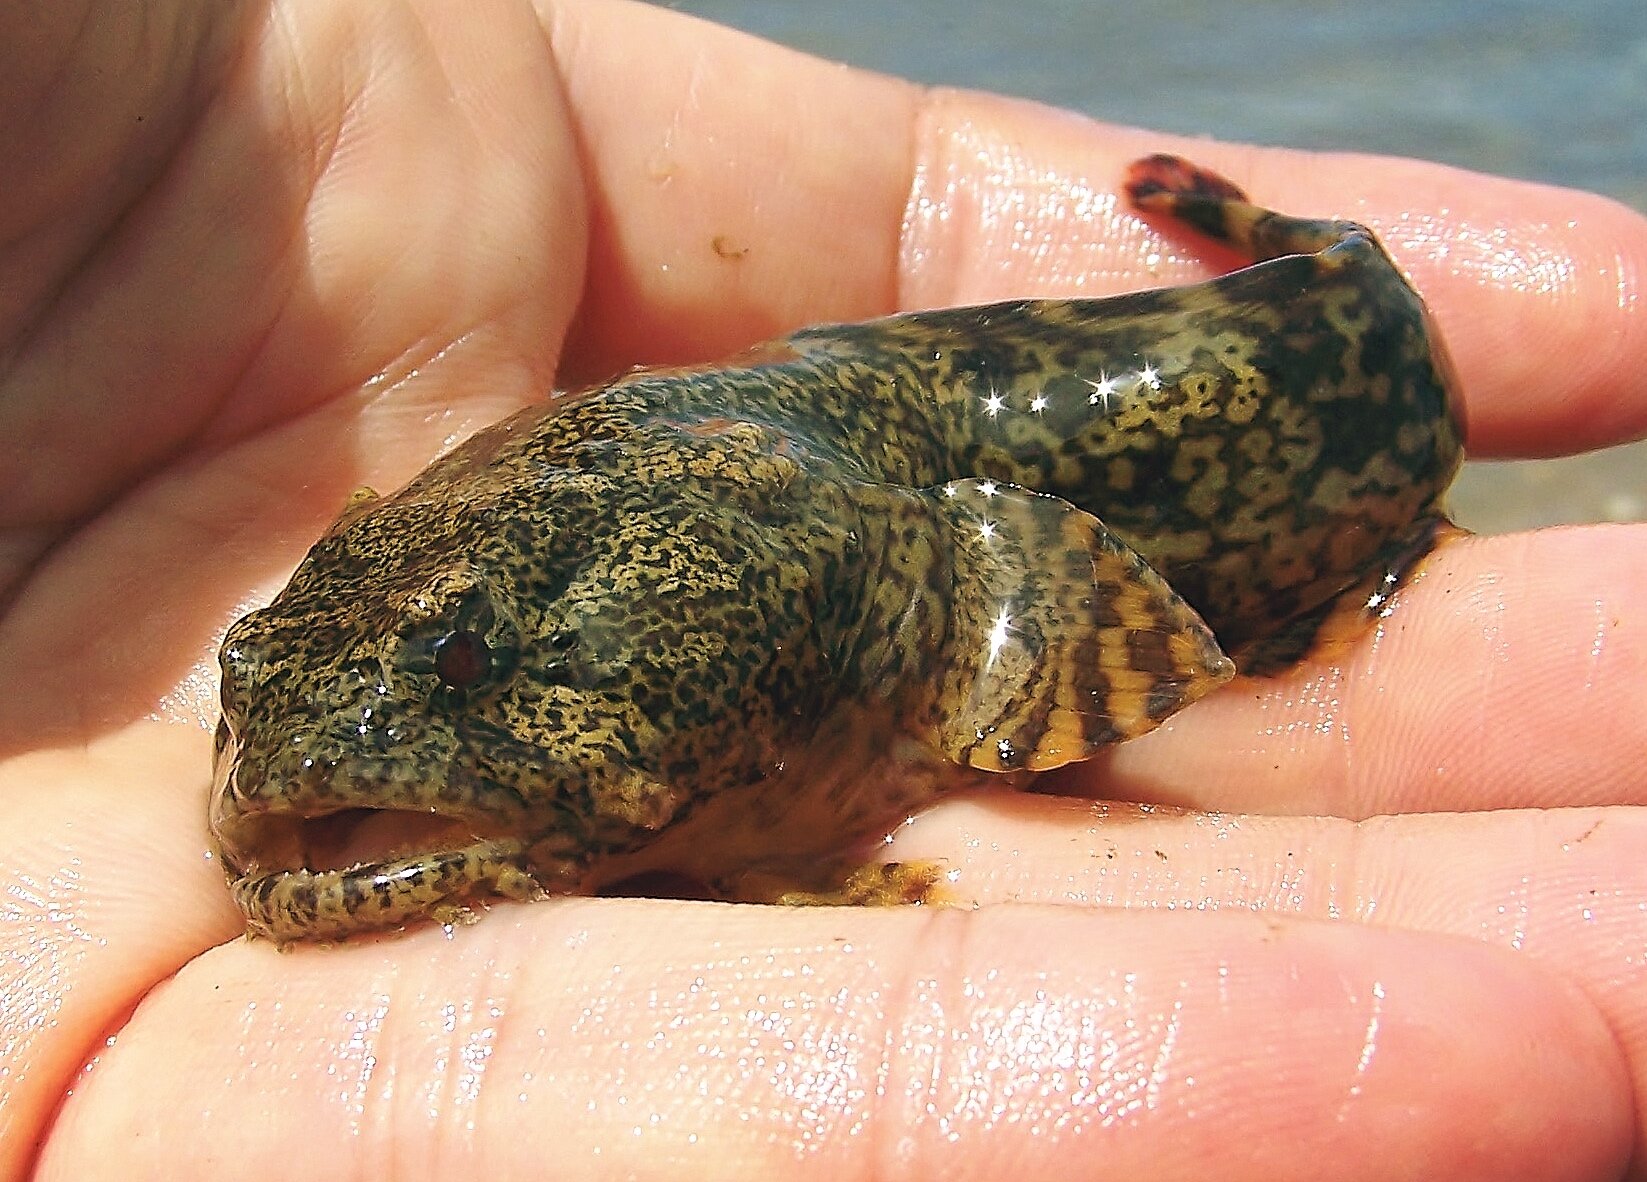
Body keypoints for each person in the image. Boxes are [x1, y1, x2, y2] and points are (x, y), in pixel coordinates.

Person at [2, 1, 1643, 1177]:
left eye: (470, 666)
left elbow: (1014, 572)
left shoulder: (894, 553)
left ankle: (1308, 276)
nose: (286, 783)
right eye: (261, 679)